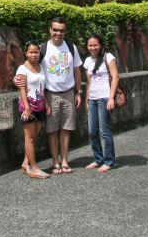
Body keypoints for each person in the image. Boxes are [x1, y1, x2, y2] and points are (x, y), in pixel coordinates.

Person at [16, 16, 82, 175]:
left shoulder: (72, 47)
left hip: (68, 93)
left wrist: (78, 92)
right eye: (55, 30)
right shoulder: (43, 48)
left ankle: (64, 160)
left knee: (66, 128)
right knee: (52, 130)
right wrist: (17, 78)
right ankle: (54, 162)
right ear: (50, 30)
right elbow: (28, 66)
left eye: (61, 30)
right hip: (49, 95)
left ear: (65, 31)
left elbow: (77, 70)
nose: (58, 33)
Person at [83, 33, 119, 173]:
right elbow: (89, 83)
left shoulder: (108, 57)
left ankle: (109, 160)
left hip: (104, 97)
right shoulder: (87, 61)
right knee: (92, 131)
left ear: (101, 45)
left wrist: (111, 98)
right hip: (93, 99)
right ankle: (98, 158)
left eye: (95, 45)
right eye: (90, 45)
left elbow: (115, 77)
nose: (93, 48)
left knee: (104, 131)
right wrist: (86, 100)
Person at [16, 40, 51, 179]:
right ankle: (34, 168)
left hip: (40, 105)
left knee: (35, 136)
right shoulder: (22, 69)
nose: (34, 55)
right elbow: (21, 89)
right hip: (28, 107)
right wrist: (27, 107)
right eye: (31, 52)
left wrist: (46, 103)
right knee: (29, 137)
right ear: (25, 53)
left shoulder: (41, 67)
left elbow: (42, 87)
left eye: (36, 52)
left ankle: (26, 163)